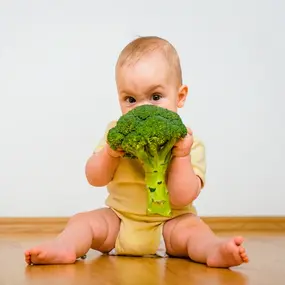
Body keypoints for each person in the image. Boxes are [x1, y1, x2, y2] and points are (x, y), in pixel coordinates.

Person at [25, 36, 249, 267]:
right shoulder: (115, 134)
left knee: (195, 231)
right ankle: (65, 247)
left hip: (170, 224)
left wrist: (181, 156)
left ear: (180, 96)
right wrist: (110, 154)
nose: (142, 109)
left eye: (155, 97)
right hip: (120, 221)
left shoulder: (189, 143)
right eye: (130, 99)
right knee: (82, 222)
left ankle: (214, 251)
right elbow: (95, 178)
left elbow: (183, 197)